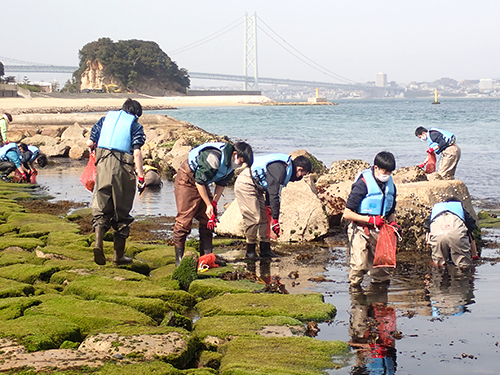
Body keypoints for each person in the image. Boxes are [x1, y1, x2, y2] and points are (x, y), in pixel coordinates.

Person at [173, 141, 253, 266]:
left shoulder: (230, 167)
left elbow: (221, 184)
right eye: (241, 161)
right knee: (184, 219)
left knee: (209, 218)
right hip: (187, 179)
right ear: (235, 154)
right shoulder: (213, 158)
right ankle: (179, 259)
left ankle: (207, 257)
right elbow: (199, 182)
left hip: (202, 182)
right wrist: (208, 204)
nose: (240, 165)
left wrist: (214, 204)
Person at [86, 98, 146, 266]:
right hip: (122, 168)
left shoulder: (105, 120)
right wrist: (141, 178)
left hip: (103, 164)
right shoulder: (135, 125)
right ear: (135, 113)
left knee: (101, 207)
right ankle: (118, 257)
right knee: (122, 211)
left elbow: (89, 143)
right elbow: (137, 153)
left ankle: (98, 243)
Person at [234, 154, 312, 259]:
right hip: (246, 183)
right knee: (255, 219)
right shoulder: (280, 170)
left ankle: (265, 250)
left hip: (258, 187)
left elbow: (271, 193)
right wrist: (276, 220)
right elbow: (274, 195)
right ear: (299, 169)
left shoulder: (285, 169)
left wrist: (270, 212)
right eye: (303, 174)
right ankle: (250, 251)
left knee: (265, 218)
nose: (301, 177)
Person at [343, 151, 400, 287]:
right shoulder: (362, 185)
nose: (386, 175)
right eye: (384, 171)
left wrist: (393, 223)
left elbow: (390, 211)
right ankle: (357, 300)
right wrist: (370, 220)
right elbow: (347, 213)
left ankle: (379, 301)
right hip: (360, 229)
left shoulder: (391, 187)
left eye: (390, 172)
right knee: (359, 266)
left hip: (379, 231)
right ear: (376, 168)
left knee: (380, 270)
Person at [423, 197, 477, 267]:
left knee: (439, 264)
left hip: (438, 233)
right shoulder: (459, 208)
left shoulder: (437, 209)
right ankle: (463, 275)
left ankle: (438, 273)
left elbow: (427, 225)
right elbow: (471, 223)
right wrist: (474, 255)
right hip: (456, 233)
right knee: (463, 264)